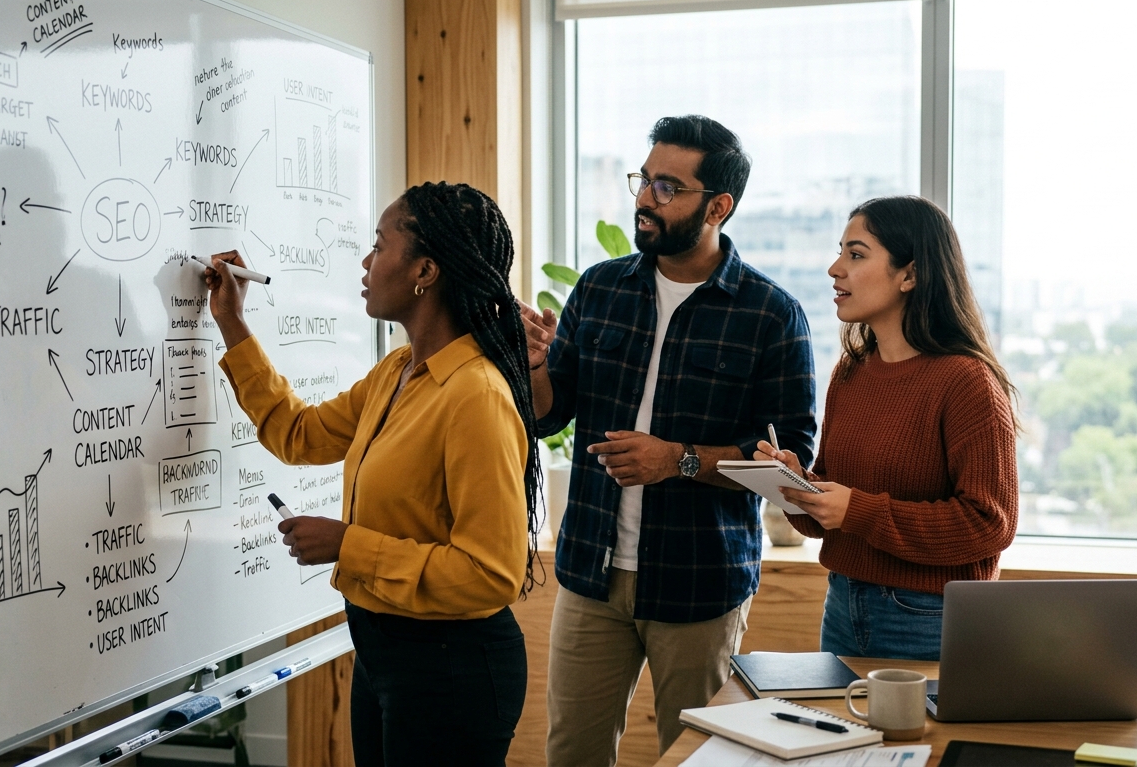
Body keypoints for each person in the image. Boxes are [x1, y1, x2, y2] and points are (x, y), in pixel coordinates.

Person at [204, 182, 537, 766]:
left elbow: (491, 574)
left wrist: (348, 545)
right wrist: (232, 323)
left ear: (425, 271)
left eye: (379, 246)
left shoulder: (475, 396)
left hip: (450, 668)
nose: (366, 261)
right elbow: (297, 433)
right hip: (385, 653)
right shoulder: (396, 374)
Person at [520, 115, 817, 765]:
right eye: (643, 180)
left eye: (666, 187)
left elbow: (791, 459)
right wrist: (536, 367)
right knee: (571, 752)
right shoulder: (599, 289)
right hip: (591, 576)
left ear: (717, 206)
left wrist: (678, 461)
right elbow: (548, 415)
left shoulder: (771, 315)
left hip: (699, 585)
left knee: (696, 758)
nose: (643, 199)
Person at [757, 195, 1019, 661]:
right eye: (841, 251)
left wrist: (856, 510)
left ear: (910, 275)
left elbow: (989, 524)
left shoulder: (967, 383)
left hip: (928, 617)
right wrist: (797, 485)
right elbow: (837, 513)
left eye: (856, 255)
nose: (835, 268)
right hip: (841, 604)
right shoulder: (852, 372)